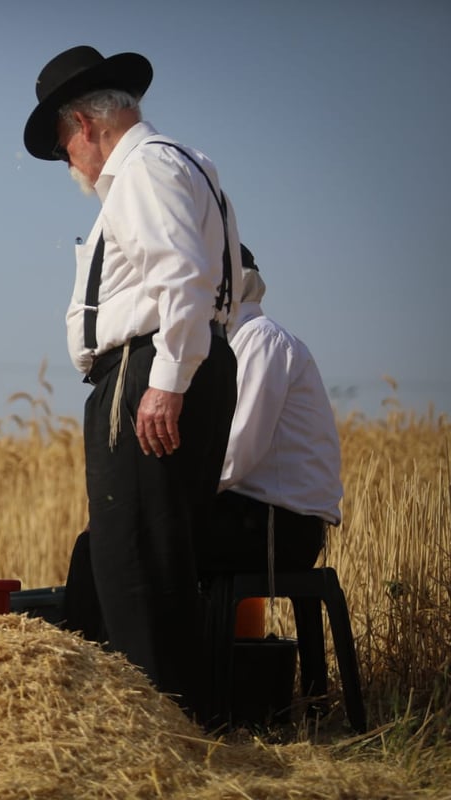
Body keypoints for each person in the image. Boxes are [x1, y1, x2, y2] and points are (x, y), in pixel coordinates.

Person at [24, 46, 241, 719]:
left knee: (133, 558)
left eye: (63, 143)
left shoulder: (143, 168)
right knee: (160, 552)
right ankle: (185, 718)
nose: (68, 162)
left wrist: (167, 379)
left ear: (85, 125)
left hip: (149, 367)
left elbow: (182, 276)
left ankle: (158, 726)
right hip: (174, 362)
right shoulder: (183, 162)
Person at [197, 244, 343, 576]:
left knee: (145, 537)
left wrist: (168, 494)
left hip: (279, 527)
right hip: (258, 515)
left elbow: (237, 450)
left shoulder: (261, 340)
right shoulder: (237, 345)